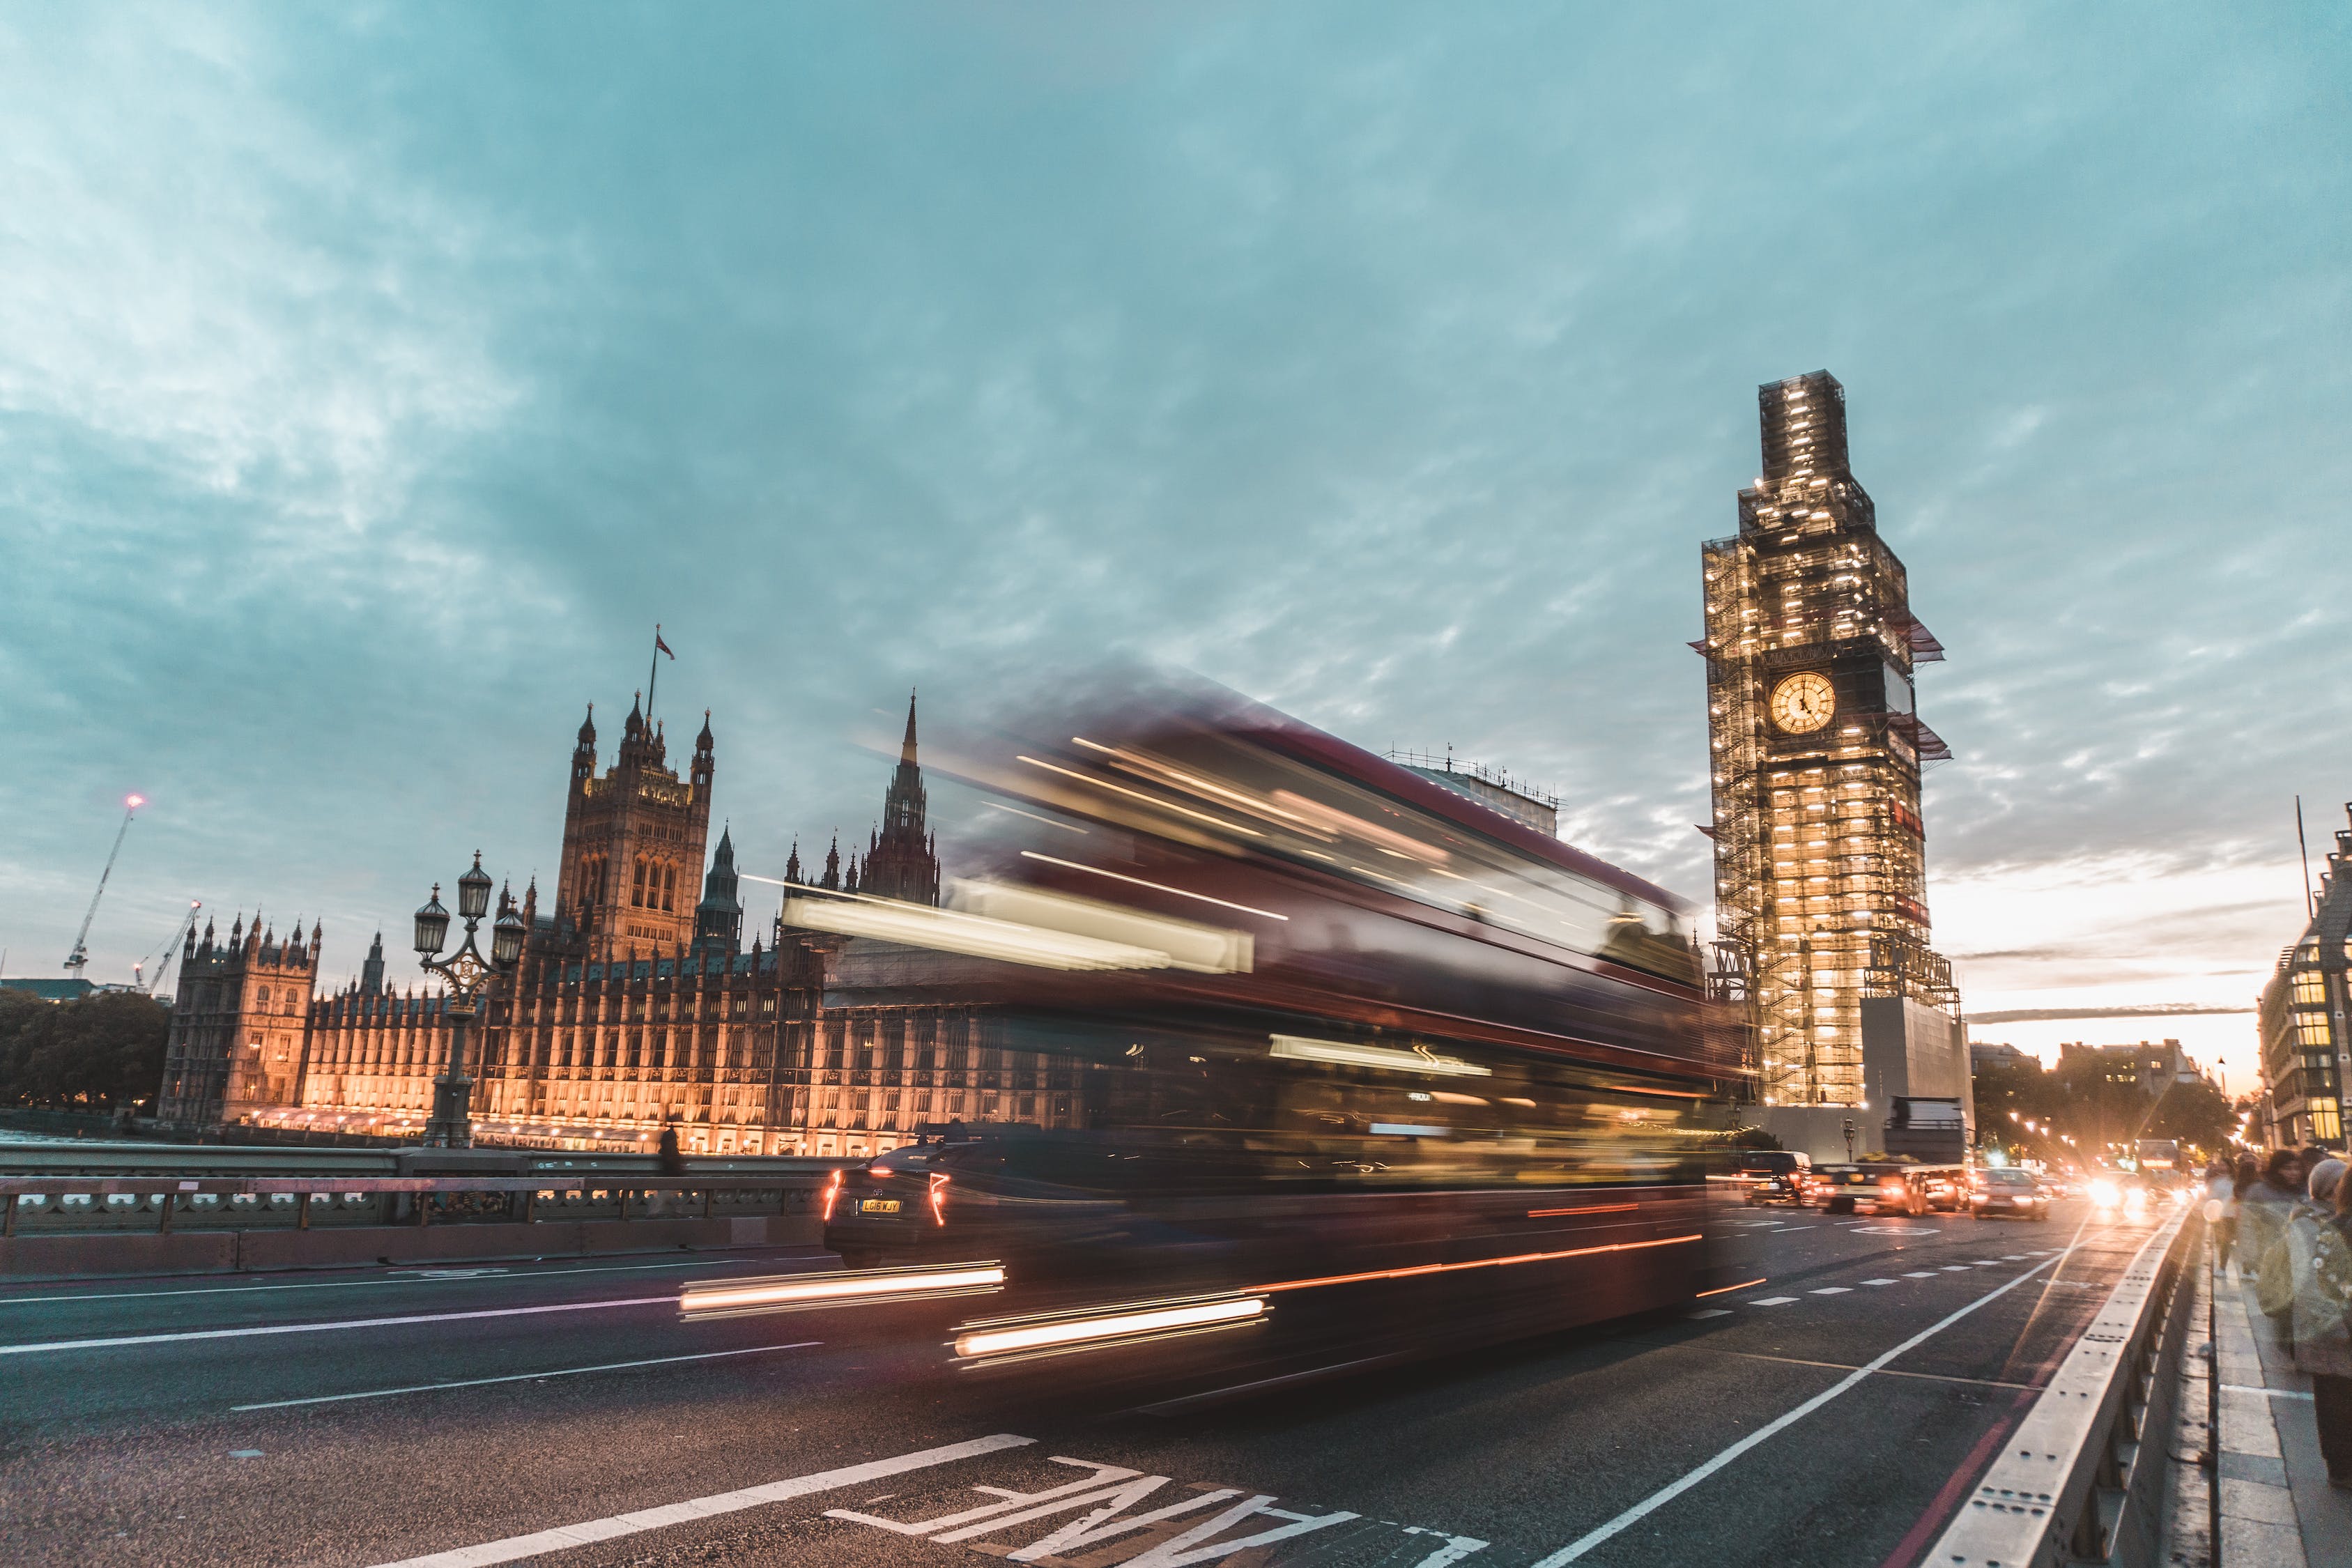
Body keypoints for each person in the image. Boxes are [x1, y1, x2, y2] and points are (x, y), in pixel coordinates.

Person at [2296, 1161, 2352, 1486]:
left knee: (2335, 1401)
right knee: (2336, 1401)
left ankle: (2341, 1466)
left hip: (2335, 1330)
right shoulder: (2331, 1228)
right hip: (2337, 1331)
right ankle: (2341, 1467)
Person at [2208, 1157, 2240, 1271]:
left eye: (2224, 1165)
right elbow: (2211, 1197)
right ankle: (2222, 1266)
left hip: (2231, 1214)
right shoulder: (2215, 1181)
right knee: (2223, 1241)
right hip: (2219, 1215)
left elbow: (2238, 1197)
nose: (2221, 1167)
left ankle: (2225, 1267)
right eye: (2220, 1165)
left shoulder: (2236, 1181)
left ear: (2230, 1166)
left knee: (2227, 1241)